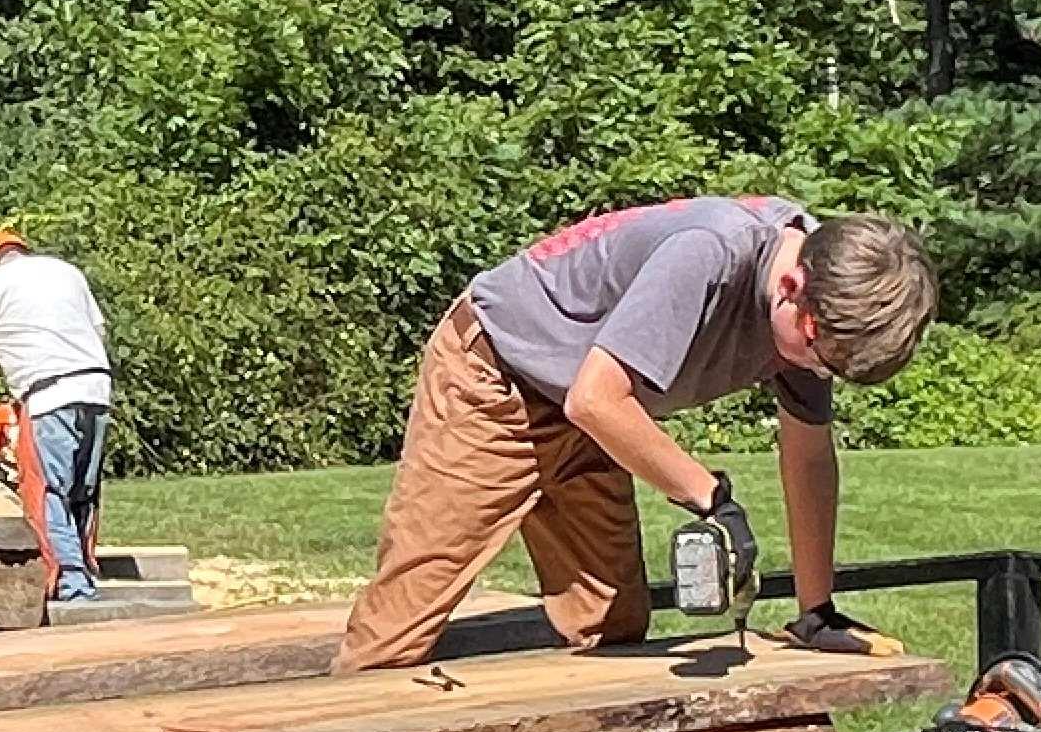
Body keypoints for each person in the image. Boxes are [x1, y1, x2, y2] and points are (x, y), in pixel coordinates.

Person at [335, 198, 939, 675]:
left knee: (612, 626)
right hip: (495, 378)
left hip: (585, 407)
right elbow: (597, 399)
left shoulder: (823, 308)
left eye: (833, 368)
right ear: (792, 287)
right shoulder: (712, 253)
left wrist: (816, 610)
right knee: (399, 628)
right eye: (815, 347)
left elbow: (808, 457)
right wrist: (712, 499)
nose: (814, 369)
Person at [0, 224, 118, 604]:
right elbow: (97, 331)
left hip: (47, 393)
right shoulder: (67, 272)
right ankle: (82, 567)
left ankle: (71, 586)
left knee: (47, 491)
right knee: (84, 489)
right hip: (96, 386)